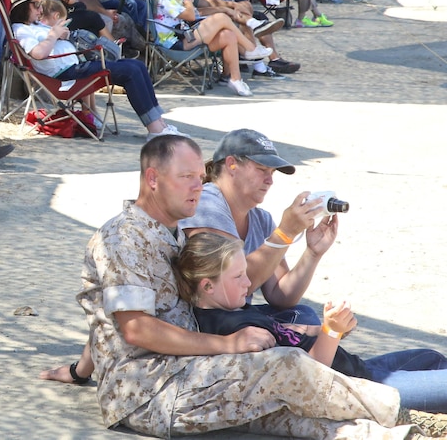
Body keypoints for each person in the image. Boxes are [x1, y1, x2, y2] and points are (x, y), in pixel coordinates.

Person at [47, 134, 419, 439]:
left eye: (199, 175)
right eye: (186, 177)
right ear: (153, 179)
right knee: (286, 365)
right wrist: (226, 344)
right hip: (151, 391)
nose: (198, 186)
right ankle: (401, 407)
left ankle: (401, 432)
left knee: (302, 418)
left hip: (192, 375)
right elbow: (135, 327)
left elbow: (106, 316)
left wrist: (79, 371)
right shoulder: (124, 238)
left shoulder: (171, 231)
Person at [177, 231, 447, 414]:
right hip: (357, 391)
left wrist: (335, 327)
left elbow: (290, 334)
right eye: (238, 277)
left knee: (430, 357)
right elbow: (310, 376)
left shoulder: (234, 309)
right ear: (207, 286)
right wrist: (331, 331)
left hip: (360, 369)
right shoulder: (235, 330)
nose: (249, 284)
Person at [178, 128, 332, 326]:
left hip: (234, 317)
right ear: (232, 164)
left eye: (272, 172)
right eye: (261, 170)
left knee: (302, 314)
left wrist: (313, 253)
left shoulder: (261, 219)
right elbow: (224, 285)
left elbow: (281, 295)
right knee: (304, 327)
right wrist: (285, 234)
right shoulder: (206, 203)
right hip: (205, 322)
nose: (270, 180)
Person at [8, 0, 183, 137]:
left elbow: (48, 43)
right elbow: (38, 53)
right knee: (130, 72)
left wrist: (61, 35)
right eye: (36, 5)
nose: (40, 9)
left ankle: (160, 123)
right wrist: (53, 35)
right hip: (66, 76)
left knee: (137, 65)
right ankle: (155, 129)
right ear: (23, 7)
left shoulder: (35, 25)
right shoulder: (21, 29)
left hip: (76, 66)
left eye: (41, 4)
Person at [152, 0, 272, 97]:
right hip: (176, 43)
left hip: (185, 36)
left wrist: (222, 9)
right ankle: (249, 49)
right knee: (221, 18)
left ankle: (236, 79)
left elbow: (196, 14)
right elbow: (191, 16)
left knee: (228, 35)